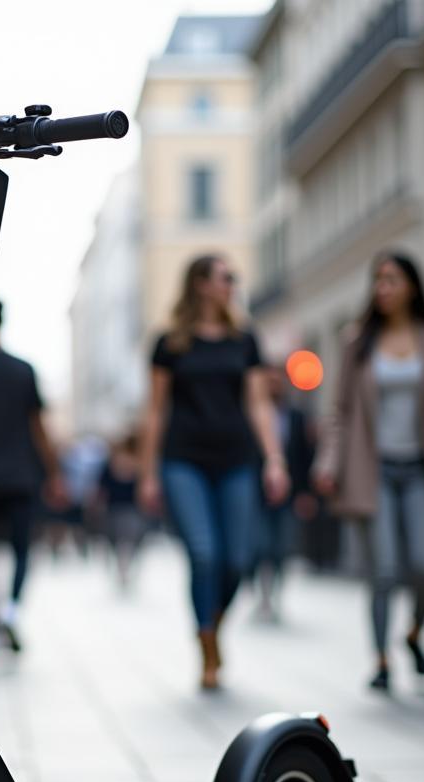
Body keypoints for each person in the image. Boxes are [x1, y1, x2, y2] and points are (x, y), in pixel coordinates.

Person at [139, 253, 289, 689]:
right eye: (226, 277)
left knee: (238, 559)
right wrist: (149, 473)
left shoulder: (245, 340)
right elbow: (155, 412)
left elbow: (258, 404)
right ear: (200, 284)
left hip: (238, 460)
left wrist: (274, 459)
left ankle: (214, 622)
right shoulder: (170, 343)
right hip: (183, 460)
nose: (232, 285)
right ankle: (206, 641)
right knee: (204, 553)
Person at [314, 253, 424, 692]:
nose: (383, 288)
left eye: (392, 280)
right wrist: (329, 461)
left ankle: (413, 633)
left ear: (412, 286)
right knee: (384, 570)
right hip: (373, 469)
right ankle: (380, 659)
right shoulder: (357, 342)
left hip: (421, 469)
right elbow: (339, 411)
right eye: (377, 280)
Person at [0, 299, 63, 654]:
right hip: (22, 475)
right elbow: (39, 427)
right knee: (21, 550)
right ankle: (10, 609)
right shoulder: (24, 369)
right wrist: (54, 472)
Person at [253, 365, 316, 623]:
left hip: (290, 496)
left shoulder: (298, 417)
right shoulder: (253, 415)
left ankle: (274, 594)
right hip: (258, 494)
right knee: (261, 545)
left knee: (281, 547)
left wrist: (305, 493)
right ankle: (264, 594)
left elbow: (305, 457)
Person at [97, 432, 147, 590]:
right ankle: (123, 568)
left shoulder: (139, 464)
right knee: (123, 541)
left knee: (126, 541)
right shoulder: (112, 464)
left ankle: (123, 568)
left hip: (128, 509)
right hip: (119, 509)